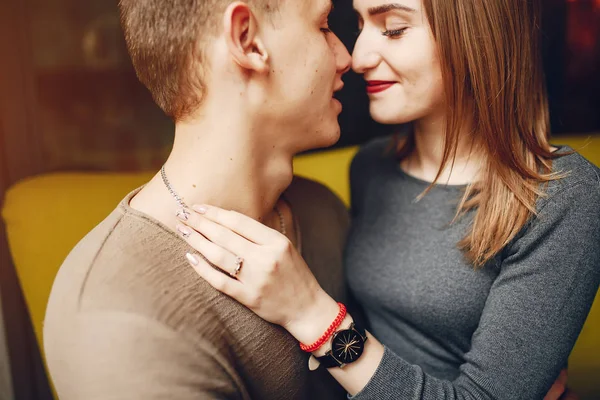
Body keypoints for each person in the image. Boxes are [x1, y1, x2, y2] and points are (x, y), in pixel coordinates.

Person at [177, 0, 600, 398]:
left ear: (474, 36)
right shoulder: (371, 169)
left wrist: (311, 313)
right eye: (360, 25)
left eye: (393, 30)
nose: (358, 57)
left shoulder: (562, 195)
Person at [43, 0, 353, 398]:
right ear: (248, 40)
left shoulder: (324, 213)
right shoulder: (118, 317)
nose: (347, 57)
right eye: (324, 26)